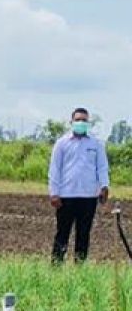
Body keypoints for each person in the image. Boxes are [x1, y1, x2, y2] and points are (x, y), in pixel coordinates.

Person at [49, 108, 109, 263]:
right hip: (66, 196)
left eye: (84, 120)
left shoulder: (96, 144)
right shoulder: (61, 144)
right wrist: (54, 193)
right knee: (62, 233)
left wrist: (104, 186)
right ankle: (56, 266)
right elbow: (55, 169)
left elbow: (102, 167)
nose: (80, 123)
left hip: (88, 196)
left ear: (88, 123)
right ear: (71, 122)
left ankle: (79, 267)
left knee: (83, 234)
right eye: (78, 120)